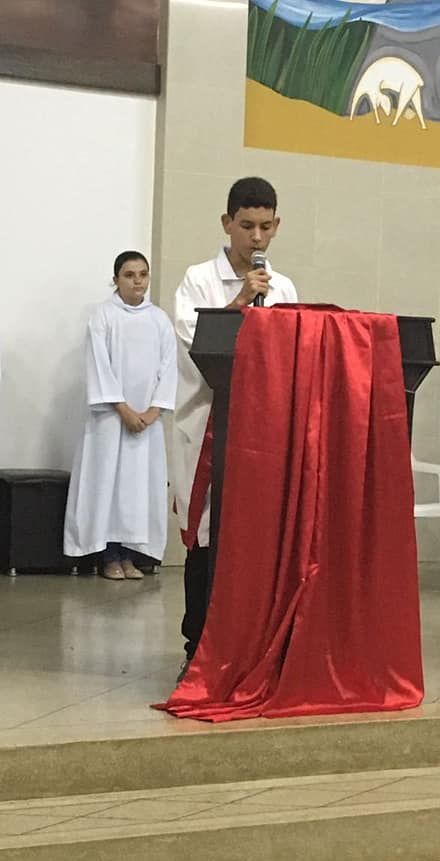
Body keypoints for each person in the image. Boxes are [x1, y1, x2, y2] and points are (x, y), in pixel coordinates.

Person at [173, 176, 298, 672]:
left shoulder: (284, 287)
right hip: (208, 426)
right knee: (207, 535)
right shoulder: (197, 279)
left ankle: (250, 645)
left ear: (277, 225)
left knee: (255, 537)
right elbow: (197, 344)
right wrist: (240, 302)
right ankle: (197, 646)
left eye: (266, 226)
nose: (257, 237)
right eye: (247, 226)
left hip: (262, 431)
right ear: (227, 223)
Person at [64, 251, 177, 579]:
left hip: (146, 422)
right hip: (111, 420)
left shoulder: (159, 320)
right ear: (116, 279)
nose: (137, 281)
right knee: (109, 486)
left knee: (137, 488)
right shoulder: (103, 316)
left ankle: (130, 556)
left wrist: (153, 411)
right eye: (129, 275)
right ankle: (109, 557)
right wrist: (124, 409)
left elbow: (169, 368)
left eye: (143, 274)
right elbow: (99, 365)